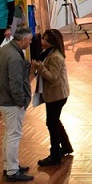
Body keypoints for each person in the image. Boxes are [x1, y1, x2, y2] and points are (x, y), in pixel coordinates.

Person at [0, 26, 34, 182]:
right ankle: (12, 171)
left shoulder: (5, 49)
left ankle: (9, 165)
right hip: (11, 102)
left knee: (9, 133)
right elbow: (15, 82)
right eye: (29, 40)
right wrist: (20, 102)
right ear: (22, 40)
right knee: (14, 135)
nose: (30, 43)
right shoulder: (15, 57)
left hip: (2, 98)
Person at [32, 29, 73, 166]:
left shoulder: (55, 57)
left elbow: (53, 77)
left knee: (51, 123)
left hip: (57, 96)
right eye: (43, 39)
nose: (42, 42)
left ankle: (55, 155)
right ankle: (66, 147)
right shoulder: (50, 53)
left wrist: (41, 68)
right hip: (56, 94)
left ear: (52, 43)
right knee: (54, 121)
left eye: (46, 40)